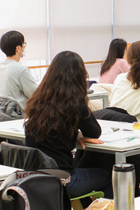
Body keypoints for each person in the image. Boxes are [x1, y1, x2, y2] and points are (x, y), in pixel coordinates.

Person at [24, 51, 111, 197]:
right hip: (64, 180)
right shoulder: (74, 104)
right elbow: (95, 132)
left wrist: (74, 134)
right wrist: (77, 133)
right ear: (79, 76)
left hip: (34, 180)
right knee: (107, 175)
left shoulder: (37, 101)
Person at [0, 30, 38, 110]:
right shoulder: (21, 70)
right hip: (15, 116)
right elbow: (37, 95)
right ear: (18, 48)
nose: (25, 47)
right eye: (24, 44)